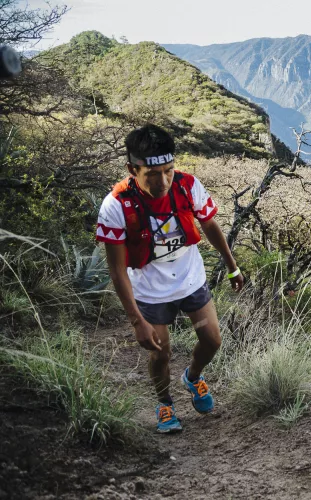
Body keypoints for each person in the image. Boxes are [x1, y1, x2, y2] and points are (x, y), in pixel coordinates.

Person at [96, 124, 244, 433]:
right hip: (150, 292)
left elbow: (209, 225)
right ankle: (165, 404)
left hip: (190, 281)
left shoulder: (188, 186)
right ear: (131, 169)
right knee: (160, 352)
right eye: (151, 174)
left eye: (168, 170)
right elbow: (117, 269)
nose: (162, 181)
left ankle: (192, 377)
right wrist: (136, 320)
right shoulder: (116, 206)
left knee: (212, 340)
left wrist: (233, 265)